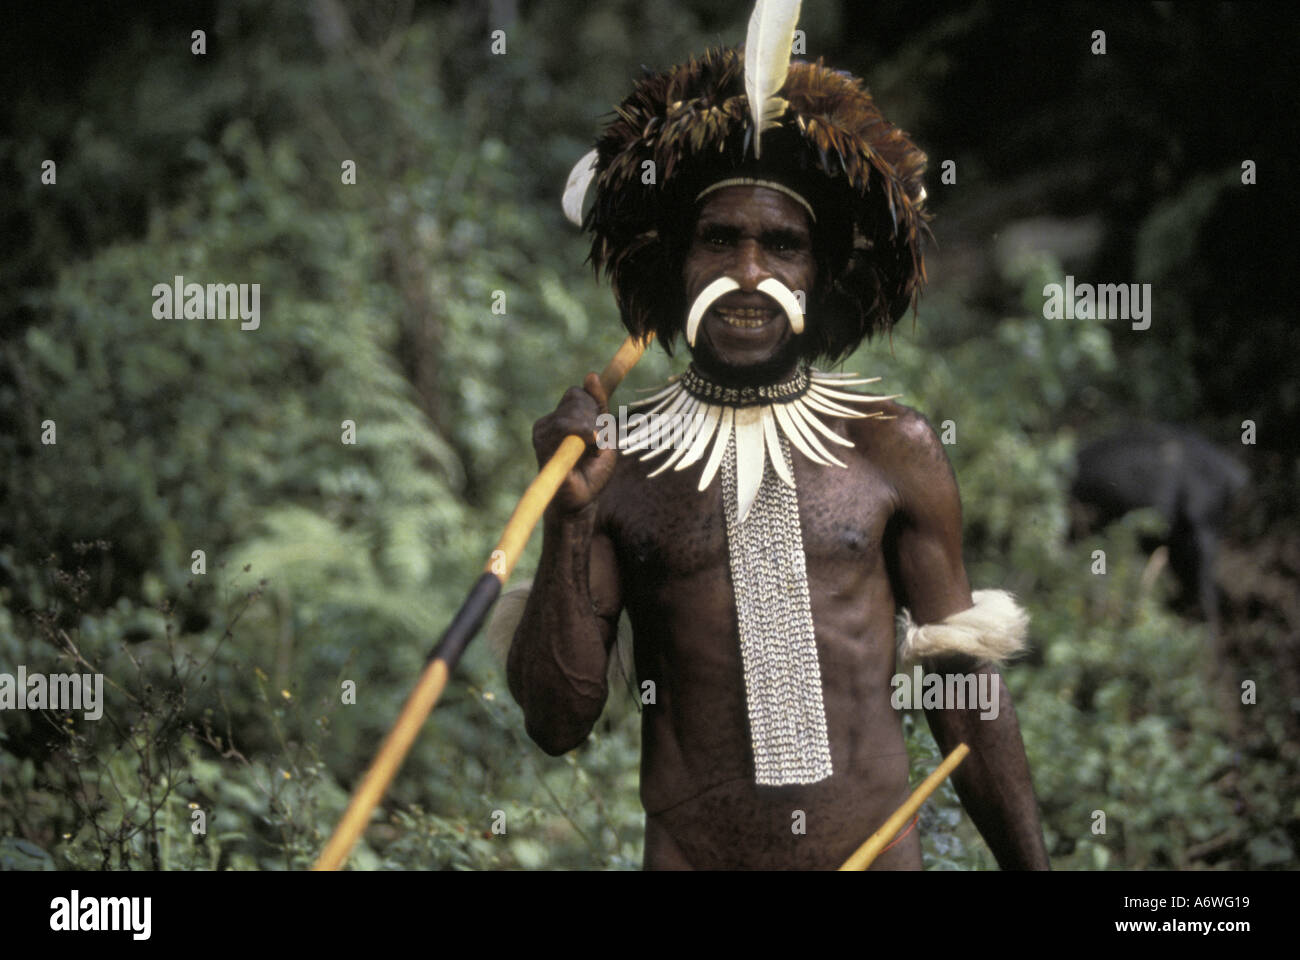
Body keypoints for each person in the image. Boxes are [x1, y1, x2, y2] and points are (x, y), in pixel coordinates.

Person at [507, 17, 1050, 870]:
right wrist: (567, 519)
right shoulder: (622, 465)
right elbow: (553, 724)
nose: (749, 273)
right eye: (719, 240)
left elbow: (963, 693)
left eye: (783, 246)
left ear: (818, 275)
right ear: (678, 262)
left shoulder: (891, 448)